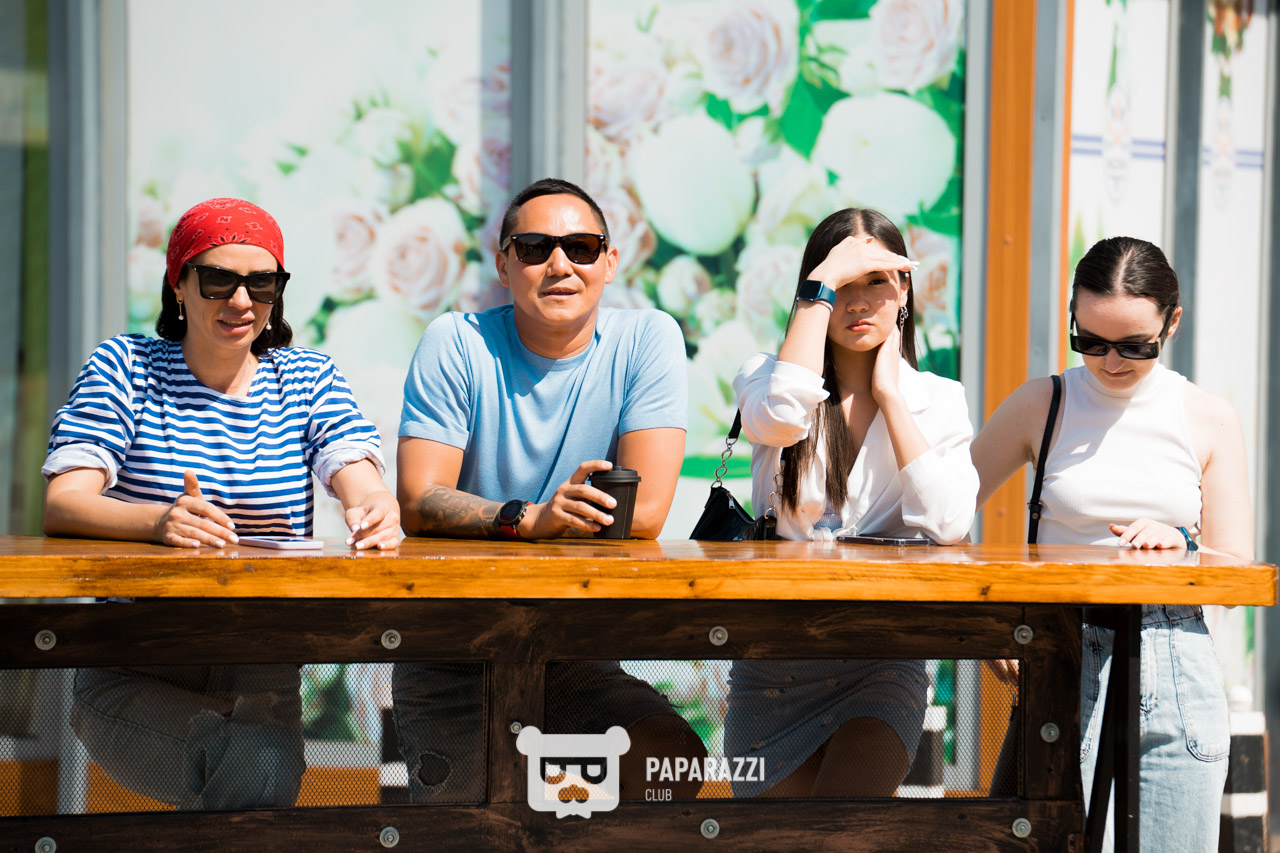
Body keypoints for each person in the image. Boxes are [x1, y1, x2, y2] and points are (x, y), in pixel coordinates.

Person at [42, 197, 400, 810]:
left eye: (262, 283)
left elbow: (353, 467)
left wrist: (372, 504)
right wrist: (158, 522)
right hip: (138, 653)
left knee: (254, 787)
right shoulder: (126, 366)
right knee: (260, 775)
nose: (241, 301)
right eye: (218, 280)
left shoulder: (306, 377)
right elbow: (64, 503)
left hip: (259, 653)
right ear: (178, 284)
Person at [393, 177, 706, 801]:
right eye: (534, 248)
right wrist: (528, 519)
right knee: (476, 827)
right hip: (453, 649)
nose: (559, 264)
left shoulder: (647, 339)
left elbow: (644, 512)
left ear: (610, 263)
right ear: (503, 265)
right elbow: (418, 500)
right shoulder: (456, 341)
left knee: (671, 765)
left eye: (581, 247)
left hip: (573, 651)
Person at [971, 236, 1248, 851]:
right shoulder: (1042, 403)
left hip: (1174, 656)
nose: (1111, 362)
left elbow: (1234, 574)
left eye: (1134, 346)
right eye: (1090, 341)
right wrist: (993, 622)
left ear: (1172, 323)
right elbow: (942, 514)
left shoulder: (1208, 416)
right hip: (1061, 646)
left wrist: (1182, 542)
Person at [724, 208, 979, 797]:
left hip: (882, 654)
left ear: (904, 289)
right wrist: (819, 288)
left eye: (875, 281)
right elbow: (782, 416)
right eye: (840, 284)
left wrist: (891, 396)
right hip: (775, 657)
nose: (857, 302)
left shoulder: (938, 398)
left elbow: (948, 523)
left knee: (845, 829)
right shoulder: (765, 376)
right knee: (771, 838)